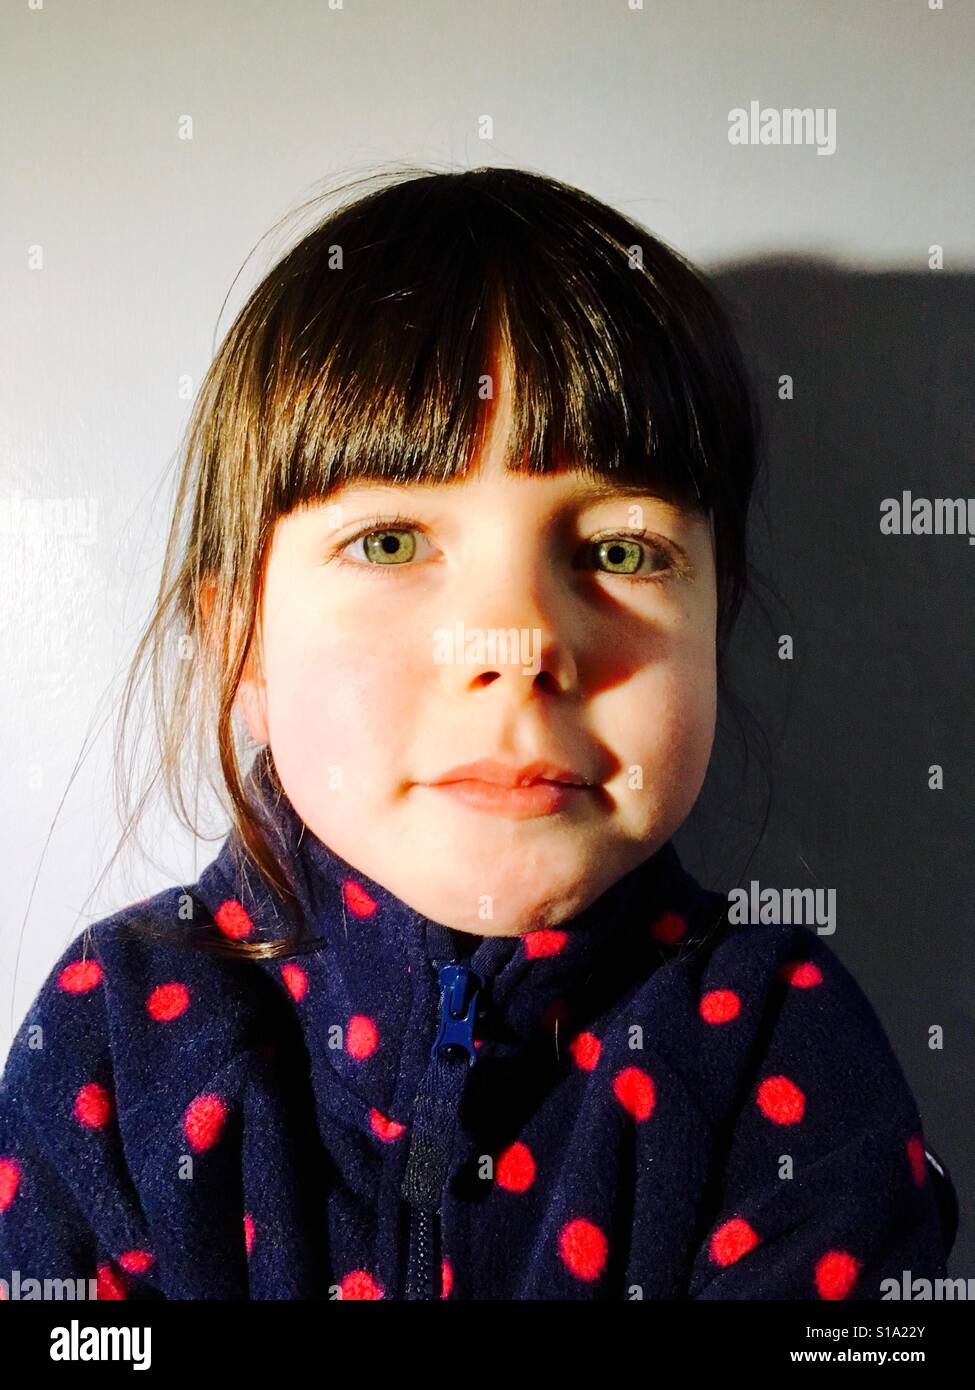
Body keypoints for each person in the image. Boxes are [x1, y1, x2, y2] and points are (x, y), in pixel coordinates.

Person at [0, 167, 951, 1300]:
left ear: (718, 628)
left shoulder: (776, 1049)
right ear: (242, 649)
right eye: (393, 543)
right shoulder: (114, 1039)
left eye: (619, 551)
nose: (514, 638)